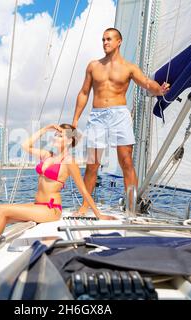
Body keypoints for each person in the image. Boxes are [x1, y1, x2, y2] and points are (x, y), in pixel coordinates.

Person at [0, 123, 115, 266]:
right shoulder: (47, 155)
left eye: (60, 136)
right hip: (37, 205)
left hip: (51, 209)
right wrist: (45, 129)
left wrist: (98, 214)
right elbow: (25, 146)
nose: (55, 137)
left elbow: (84, 190)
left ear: (68, 140)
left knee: (2, 209)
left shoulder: (69, 161)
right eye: (56, 134)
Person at [71, 27, 170, 215]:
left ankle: (132, 208)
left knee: (126, 161)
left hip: (119, 115)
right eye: (103, 39)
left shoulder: (129, 68)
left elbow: (147, 83)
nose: (105, 43)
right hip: (97, 116)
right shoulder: (93, 66)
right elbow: (84, 93)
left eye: (108, 39)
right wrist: (75, 121)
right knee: (92, 164)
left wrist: (159, 90)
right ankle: (85, 207)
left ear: (119, 42)